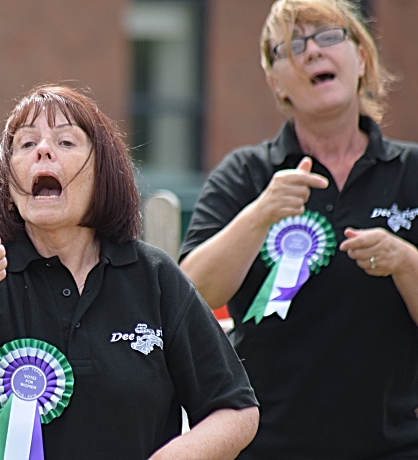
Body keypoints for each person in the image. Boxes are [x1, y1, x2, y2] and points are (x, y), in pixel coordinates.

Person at [0, 85, 259, 460]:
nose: (42, 150)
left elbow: (236, 410)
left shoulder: (154, 276)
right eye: (25, 145)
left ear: (104, 174)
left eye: (66, 142)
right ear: (8, 185)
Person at [179, 0, 418, 458]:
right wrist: (260, 214)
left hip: (395, 447)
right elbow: (190, 293)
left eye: (329, 37)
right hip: (270, 447)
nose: (312, 53)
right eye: (292, 46)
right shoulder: (246, 174)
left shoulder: (410, 172)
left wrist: (406, 261)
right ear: (275, 80)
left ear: (362, 57)